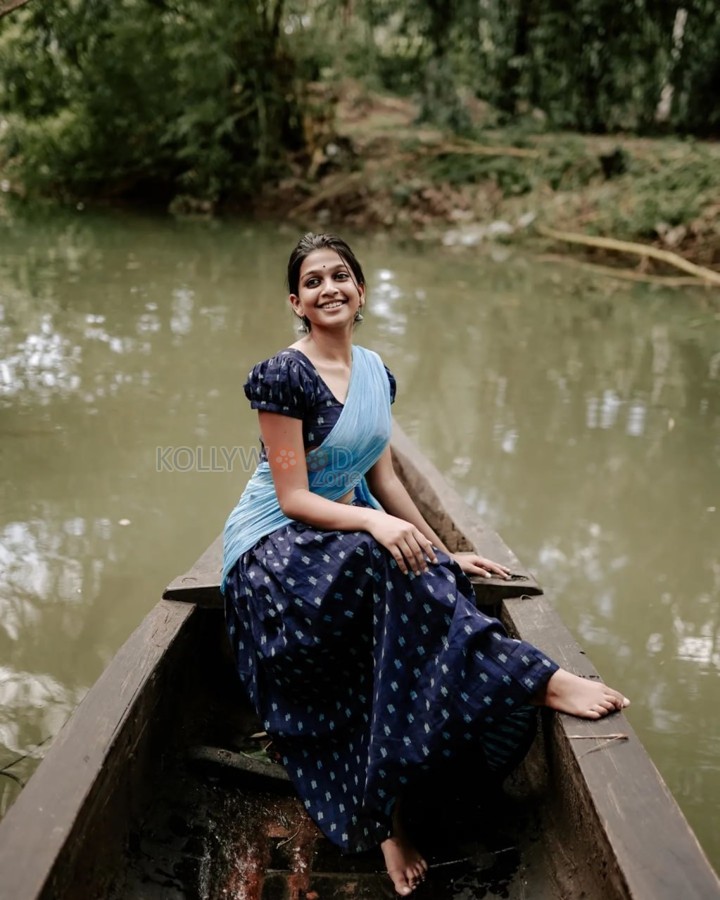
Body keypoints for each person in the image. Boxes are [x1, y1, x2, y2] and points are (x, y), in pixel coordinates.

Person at [222, 233, 630, 896]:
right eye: (314, 281)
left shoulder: (376, 373)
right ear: (295, 300)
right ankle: (535, 682)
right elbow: (294, 497)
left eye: (341, 276)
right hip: (275, 549)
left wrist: (437, 544)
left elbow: (382, 475)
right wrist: (380, 526)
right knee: (384, 563)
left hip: (347, 530)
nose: (330, 288)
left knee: (428, 570)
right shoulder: (282, 376)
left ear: (361, 291)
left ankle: (396, 804)